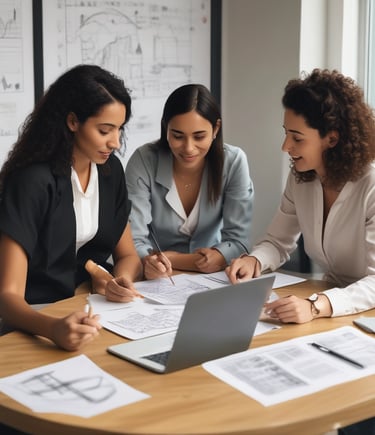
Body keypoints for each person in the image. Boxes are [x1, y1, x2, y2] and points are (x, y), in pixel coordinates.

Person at [0, 64, 143, 351]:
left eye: (119, 130)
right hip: (31, 322)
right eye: (105, 130)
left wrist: (120, 280)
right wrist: (51, 328)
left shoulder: (109, 171)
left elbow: (128, 255)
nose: (115, 142)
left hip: (84, 310)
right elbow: (8, 296)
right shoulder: (32, 181)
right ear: (73, 121)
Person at [226, 68, 375, 323]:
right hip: (334, 309)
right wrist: (255, 261)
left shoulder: (371, 184)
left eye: (297, 138)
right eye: (286, 133)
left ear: (332, 138)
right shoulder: (301, 177)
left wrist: (316, 306)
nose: (285, 147)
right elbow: (277, 241)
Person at [125, 83, 254, 279]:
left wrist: (218, 255)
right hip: (156, 277)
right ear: (165, 127)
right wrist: (152, 261)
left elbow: (239, 240)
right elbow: (132, 241)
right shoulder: (143, 160)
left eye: (199, 136)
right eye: (177, 136)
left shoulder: (234, 161)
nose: (188, 148)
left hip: (213, 278)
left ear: (216, 128)